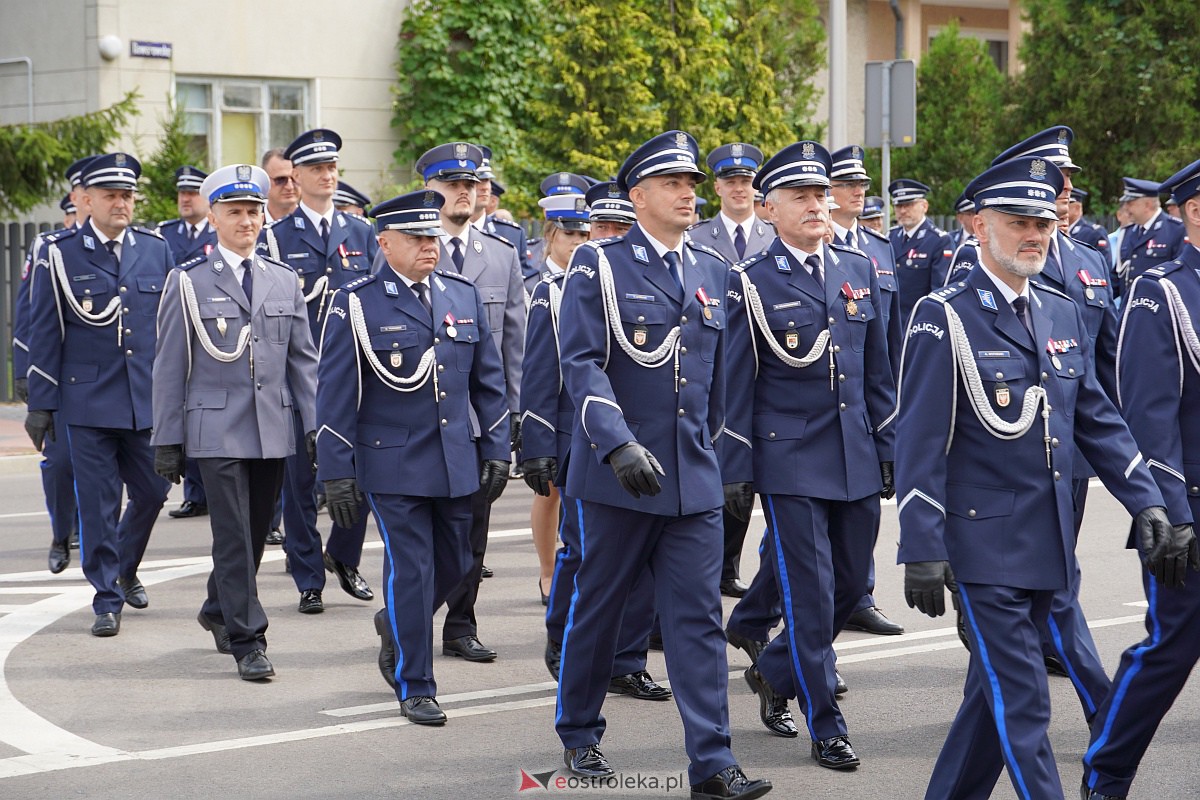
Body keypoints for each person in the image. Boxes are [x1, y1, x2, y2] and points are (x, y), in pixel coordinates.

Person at [896, 156, 1172, 800]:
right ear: (980, 225)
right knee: (1023, 703)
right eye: (1019, 221)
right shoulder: (946, 316)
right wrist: (922, 545)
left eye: (1043, 222)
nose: (1034, 234)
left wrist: (1147, 501)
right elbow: (919, 440)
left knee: (986, 710)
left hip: (1049, 543)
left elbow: (1096, 419)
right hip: (983, 546)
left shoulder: (1058, 310)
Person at [553, 130, 771, 800]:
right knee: (601, 607)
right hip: (617, 476)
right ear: (638, 195)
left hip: (690, 478)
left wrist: (722, 459)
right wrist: (615, 442)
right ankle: (580, 734)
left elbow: (722, 383)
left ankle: (712, 760)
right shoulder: (600, 265)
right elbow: (581, 361)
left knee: (697, 619)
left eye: (692, 184)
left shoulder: (712, 271)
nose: (689, 194)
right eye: (674, 184)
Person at [722, 140, 895, 771]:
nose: (818, 204)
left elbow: (878, 370)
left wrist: (888, 443)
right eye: (801, 195)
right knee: (812, 593)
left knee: (850, 587)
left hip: (852, 452)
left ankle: (772, 668)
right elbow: (734, 384)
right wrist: (736, 467)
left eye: (821, 194)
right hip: (789, 458)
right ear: (768, 209)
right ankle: (827, 723)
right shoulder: (750, 283)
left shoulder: (858, 269)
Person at [313, 188, 509, 724]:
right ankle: (416, 682)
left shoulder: (461, 294)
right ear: (385, 242)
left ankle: (395, 621)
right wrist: (336, 472)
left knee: (460, 564)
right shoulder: (357, 300)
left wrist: (496, 447)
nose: (430, 246)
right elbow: (334, 392)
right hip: (392, 461)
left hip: (454, 457)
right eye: (417, 238)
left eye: (433, 236)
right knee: (415, 569)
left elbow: (488, 382)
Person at [152, 164, 318, 679]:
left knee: (251, 530)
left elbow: (302, 362)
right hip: (215, 429)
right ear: (214, 216)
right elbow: (169, 365)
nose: (247, 220)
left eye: (254, 211)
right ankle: (249, 639)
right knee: (233, 535)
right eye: (235, 211)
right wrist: (167, 437)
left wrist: (315, 428)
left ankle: (217, 608)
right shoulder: (188, 281)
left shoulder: (284, 280)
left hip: (272, 426)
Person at [1078, 157, 1200, 800]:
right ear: (1196, 210)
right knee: (1173, 649)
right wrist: (1171, 509)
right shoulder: (1166, 291)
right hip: (1193, 509)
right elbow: (1149, 414)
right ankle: (1108, 768)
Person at [988, 128, 1120, 716]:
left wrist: (1134, 448)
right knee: (1057, 583)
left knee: (1054, 578)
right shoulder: (986, 259)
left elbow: (1106, 366)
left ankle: (1013, 655)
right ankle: (1106, 709)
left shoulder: (1090, 260)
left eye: (1064, 180)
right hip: (1009, 456)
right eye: (1050, 177)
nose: (1063, 190)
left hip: (1075, 453)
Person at [522, 180, 668, 703]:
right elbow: (542, 374)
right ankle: (564, 641)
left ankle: (626, 660)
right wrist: (537, 441)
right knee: (583, 552)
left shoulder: (652, 283)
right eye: (596, 228)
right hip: (579, 440)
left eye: (614, 228)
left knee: (645, 557)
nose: (604, 236)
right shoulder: (557, 290)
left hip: (645, 440)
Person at [25, 153, 172, 636]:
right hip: (85, 401)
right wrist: (41, 404)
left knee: (153, 491)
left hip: (144, 400)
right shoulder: (61, 252)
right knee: (99, 504)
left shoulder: (155, 248)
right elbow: (45, 330)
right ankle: (106, 596)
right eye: (111, 195)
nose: (121, 203)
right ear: (85, 200)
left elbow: (169, 332)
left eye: (128, 195)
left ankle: (125, 567)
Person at [412, 142, 525, 663]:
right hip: (416, 417)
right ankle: (406, 618)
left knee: (471, 535)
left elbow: (513, 346)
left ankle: (460, 624)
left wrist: (516, 415)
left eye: (470, 182)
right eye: (452, 183)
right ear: (430, 189)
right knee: (419, 534)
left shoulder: (500, 256)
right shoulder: (402, 245)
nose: (464, 191)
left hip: (478, 420)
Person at [260, 128, 379, 612]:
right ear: (298, 178)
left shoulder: (363, 233)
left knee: (364, 473)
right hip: (299, 377)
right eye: (316, 169)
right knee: (299, 483)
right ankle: (308, 577)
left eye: (331, 168)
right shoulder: (277, 236)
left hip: (355, 373)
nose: (327, 176)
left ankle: (344, 555)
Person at [689, 142, 775, 598]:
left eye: (747, 181)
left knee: (756, 478)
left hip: (770, 370)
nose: (740, 188)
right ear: (718, 187)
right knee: (720, 470)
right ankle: (715, 567)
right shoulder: (698, 238)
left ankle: (734, 569)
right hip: (716, 368)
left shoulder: (774, 235)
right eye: (731, 181)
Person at [829, 145, 904, 636]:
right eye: (848, 183)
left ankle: (860, 597)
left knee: (861, 523)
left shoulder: (878, 250)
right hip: (807, 417)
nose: (860, 190)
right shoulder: (792, 242)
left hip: (861, 411)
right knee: (800, 539)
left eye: (863, 184)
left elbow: (887, 345)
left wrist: (892, 425)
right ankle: (766, 615)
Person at [12, 161, 88, 574]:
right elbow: (29, 315)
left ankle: (98, 541)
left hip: (101, 379)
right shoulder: (48, 247)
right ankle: (62, 533)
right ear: (75, 200)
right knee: (60, 463)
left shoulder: (130, 245)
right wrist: (26, 372)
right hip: (56, 377)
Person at [524, 186, 590, 601]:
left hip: (587, 412)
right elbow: (537, 365)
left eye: (585, 235)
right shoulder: (544, 285)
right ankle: (549, 571)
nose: (579, 243)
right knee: (548, 493)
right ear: (551, 235)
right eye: (571, 235)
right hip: (556, 407)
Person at [157, 165, 218, 521]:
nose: (184, 198)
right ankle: (195, 494)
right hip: (181, 330)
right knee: (185, 411)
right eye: (181, 193)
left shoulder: (218, 229)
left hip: (214, 333)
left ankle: (210, 491)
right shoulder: (165, 235)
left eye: (191, 193)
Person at [888, 179, 953, 324]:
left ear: (924, 206)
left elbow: (939, 290)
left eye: (909, 205)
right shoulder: (890, 236)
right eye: (898, 206)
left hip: (919, 320)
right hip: (891, 323)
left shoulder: (939, 241)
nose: (903, 211)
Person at [1117, 176, 1186, 287]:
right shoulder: (1128, 231)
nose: (1126, 208)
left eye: (1130, 203)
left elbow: (1181, 277)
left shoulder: (1176, 230)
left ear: (1147, 205)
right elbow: (1117, 277)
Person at [1067, 188, 1110, 255]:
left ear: (1077, 208)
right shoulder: (1058, 230)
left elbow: (1103, 262)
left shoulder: (1095, 233)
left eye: (1065, 204)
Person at [262, 148, 299, 224]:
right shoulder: (251, 224)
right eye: (281, 180)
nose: (290, 187)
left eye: (295, 178)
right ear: (265, 181)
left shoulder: (314, 222)